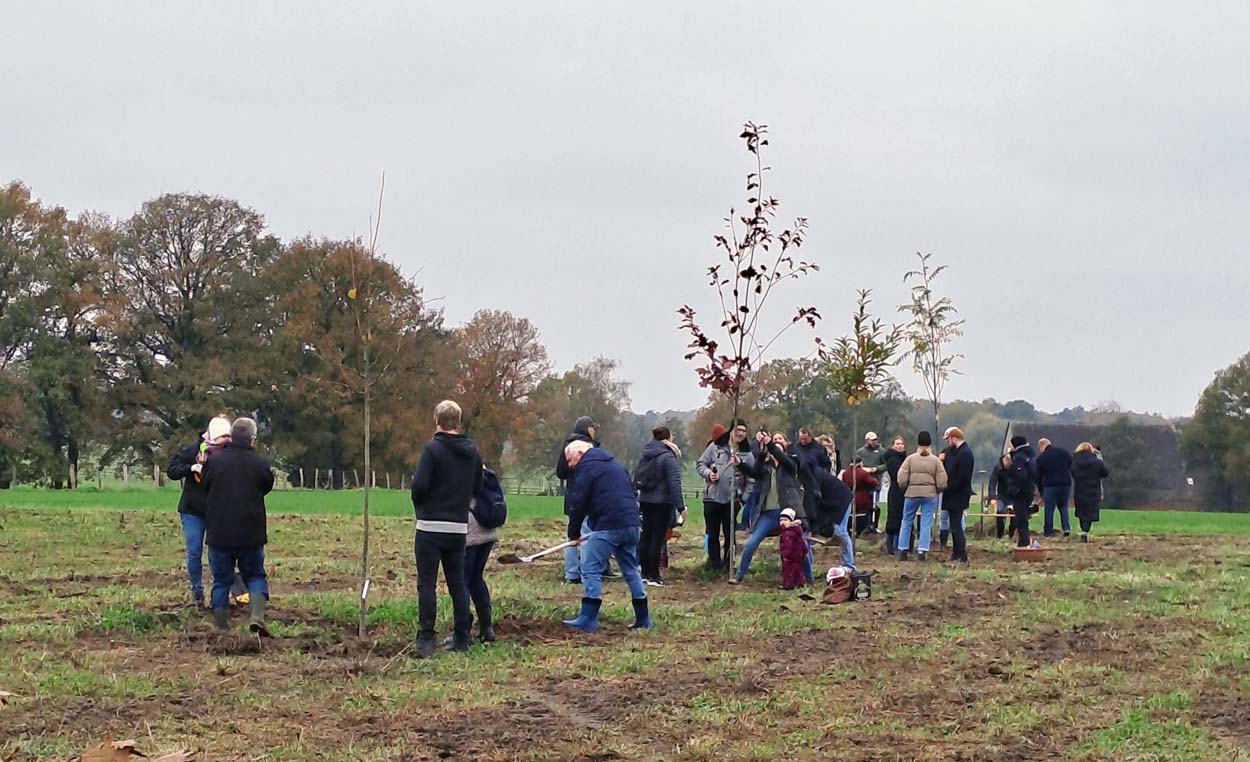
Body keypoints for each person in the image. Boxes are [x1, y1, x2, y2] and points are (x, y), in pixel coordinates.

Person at [410, 400, 483, 656]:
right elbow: (477, 486)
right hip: (457, 528)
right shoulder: (472, 451)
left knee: (427, 584)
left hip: (430, 527)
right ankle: (462, 637)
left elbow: (418, 486)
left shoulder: (432, 450)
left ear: (436, 420)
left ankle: (426, 639)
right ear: (458, 421)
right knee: (458, 584)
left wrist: (422, 508)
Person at [561, 440, 650, 632]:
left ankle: (588, 618)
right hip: (631, 523)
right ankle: (643, 618)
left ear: (580, 453)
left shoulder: (586, 468)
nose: (570, 465)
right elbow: (632, 492)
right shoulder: (616, 464)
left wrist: (573, 534)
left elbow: (578, 501)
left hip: (607, 524)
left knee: (590, 568)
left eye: (569, 460)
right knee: (631, 569)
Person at [202, 417, 275, 634]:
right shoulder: (261, 464)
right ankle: (256, 616)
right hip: (250, 534)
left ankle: (222, 626)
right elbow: (266, 487)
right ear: (252, 439)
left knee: (221, 581)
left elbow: (205, 486)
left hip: (219, 533)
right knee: (255, 576)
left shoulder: (214, 462)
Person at [166, 415, 239, 608]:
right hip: (192, 510)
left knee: (221, 551)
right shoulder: (193, 450)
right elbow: (172, 470)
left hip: (217, 510)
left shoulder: (231, 453)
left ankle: (225, 592)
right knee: (194, 552)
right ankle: (197, 594)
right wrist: (191, 468)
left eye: (227, 439)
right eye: (221, 439)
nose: (225, 443)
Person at [731, 433, 808, 584]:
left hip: (788, 513)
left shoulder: (789, 466)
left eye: (777, 448)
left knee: (800, 545)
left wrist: (771, 445)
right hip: (768, 514)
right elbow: (754, 472)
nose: (773, 451)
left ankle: (808, 578)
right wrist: (740, 462)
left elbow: (784, 460)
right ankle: (739, 575)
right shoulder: (766, 470)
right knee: (751, 543)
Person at [696, 420, 754, 572]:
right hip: (712, 498)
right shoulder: (714, 448)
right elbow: (701, 464)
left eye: (744, 430)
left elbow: (752, 479)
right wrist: (709, 474)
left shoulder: (747, 454)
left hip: (732, 500)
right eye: (738, 429)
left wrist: (743, 500)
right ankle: (714, 566)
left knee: (730, 535)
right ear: (731, 431)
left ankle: (728, 565)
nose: (740, 433)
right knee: (713, 533)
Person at [636, 426, 684, 586]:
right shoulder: (668, 457)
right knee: (657, 538)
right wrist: (680, 507)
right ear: (668, 438)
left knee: (645, 536)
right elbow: (674, 483)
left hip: (645, 499)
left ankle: (644, 573)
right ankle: (654, 576)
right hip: (661, 502)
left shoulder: (646, 454)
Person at [556, 416, 599, 584]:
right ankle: (588, 571)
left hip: (572, 498)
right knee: (588, 536)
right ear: (587, 429)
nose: (595, 431)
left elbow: (560, 472)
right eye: (593, 428)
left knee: (571, 535)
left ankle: (572, 572)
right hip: (589, 498)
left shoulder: (567, 446)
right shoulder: (591, 448)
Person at [895, 432, 947, 561]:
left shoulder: (910, 459)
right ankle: (922, 550)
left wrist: (905, 487)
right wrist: (937, 489)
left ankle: (902, 549)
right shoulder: (935, 460)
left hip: (911, 494)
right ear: (930, 443)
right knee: (925, 522)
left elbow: (901, 477)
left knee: (906, 520)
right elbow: (942, 479)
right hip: (929, 495)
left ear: (918, 443)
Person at [464, 466, 500, 644]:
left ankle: (462, 629)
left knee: (461, 581)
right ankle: (487, 627)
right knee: (476, 578)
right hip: (489, 532)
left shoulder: (462, 470)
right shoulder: (486, 472)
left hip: (469, 534)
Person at [941, 427, 975, 564]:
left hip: (958, 495)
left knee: (956, 526)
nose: (947, 443)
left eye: (948, 439)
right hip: (953, 494)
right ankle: (956, 554)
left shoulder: (965, 454)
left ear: (953, 438)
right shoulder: (957, 452)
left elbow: (962, 477)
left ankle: (960, 555)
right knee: (954, 525)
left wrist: (948, 487)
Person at [814, 467, 855, 569]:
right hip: (831, 502)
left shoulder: (813, 476)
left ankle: (849, 564)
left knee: (840, 531)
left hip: (842, 499)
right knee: (838, 531)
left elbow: (816, 502)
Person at [793, 427, 832, 534]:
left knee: (815, 506)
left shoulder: (818, 448)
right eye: (801, 438)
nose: (803, 441)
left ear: (810, 436)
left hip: (815, 480)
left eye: (805, 439)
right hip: (799, 480)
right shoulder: (795, 448)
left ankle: (815, 529)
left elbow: (826, 464)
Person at [1070, 442, 1110, 543]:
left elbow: (1072, 473)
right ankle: (1085, 531)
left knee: (1081, 511)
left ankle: (1083, 531)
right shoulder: (1097, 461)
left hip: (1080, 490)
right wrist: (1100, 459)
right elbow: (1105, 473)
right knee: (1090, 512)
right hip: (1093, 490)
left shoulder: (1075, 461)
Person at [1036, 438, 1074, 538]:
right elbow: (1071, 467)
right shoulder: (1064, 453)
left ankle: (1048, 532)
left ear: (1041, 446)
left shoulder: (1042, 458)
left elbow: (1038, 477)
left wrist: (1041, 492)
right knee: (1063, 506)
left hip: (1050, 486)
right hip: (1066, 484)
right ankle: (1066, 528)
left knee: (1049, 509)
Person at [1006, 435, 1039, 548]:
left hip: (1022, 492)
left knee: (1021, 518)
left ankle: (1023, 543)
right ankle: (1023, 541)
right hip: (1029, 489)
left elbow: (1020, 475)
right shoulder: (1030, 454)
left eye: (1010, 445)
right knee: (1022, 517)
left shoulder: (1019, 457)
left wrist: (1014, 490)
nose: (1009, 447)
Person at [881, 436, 907, 555]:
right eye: (897, 444)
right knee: (894, 518)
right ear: (892, 445)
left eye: (901, 444)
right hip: (896, 491)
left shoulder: (903, 459)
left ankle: (896, 545)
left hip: (902, 491)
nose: (900, 446)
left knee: (900, 517)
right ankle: (892, 546)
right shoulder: (892, 459)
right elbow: (897, 475)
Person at [856, 432, 887, 529]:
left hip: (875, 481)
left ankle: (874, 525)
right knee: (864, 505)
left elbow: (886, 465)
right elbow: (855, 463)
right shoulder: (861, 451)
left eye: (875, 440)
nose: (875, 442)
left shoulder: (881, 451)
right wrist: (861, 469)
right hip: (863, 483)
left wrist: (876, 469)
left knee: (874, 504)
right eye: (872, 440)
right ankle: (865, 526)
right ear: (867, 440)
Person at [840, 460, 879, 537]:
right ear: (860, 463)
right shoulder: (862, 473)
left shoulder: (845, 473)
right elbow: (874, 482)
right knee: (876, 510)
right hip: (862, 499)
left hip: (849, 498)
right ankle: (871, 526)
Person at [777, 508, 807, 590]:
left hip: (791, 556)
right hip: (798, 555)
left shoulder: (788, 533)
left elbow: (788, 545)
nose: (782, 522)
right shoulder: (797, 530)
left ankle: (788, 585)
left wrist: (785, 555)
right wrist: (804, 552)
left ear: (791, 521)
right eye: (781, 520)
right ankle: (801, 583)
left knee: (788, 571)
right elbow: (802, 543)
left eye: (785, 520)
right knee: (797, 570)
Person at [987, 452, 1013, 539]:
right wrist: (993, 497)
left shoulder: (1015, 468)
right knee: (999, 512)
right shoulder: (997, 468)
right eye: (1006, 465)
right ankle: (999, 535)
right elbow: (992, 483)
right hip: (1001, 496)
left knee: (1014, 515)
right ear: (1003, 461)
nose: (1007, 467)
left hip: (1013, 496)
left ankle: (1011, 534)